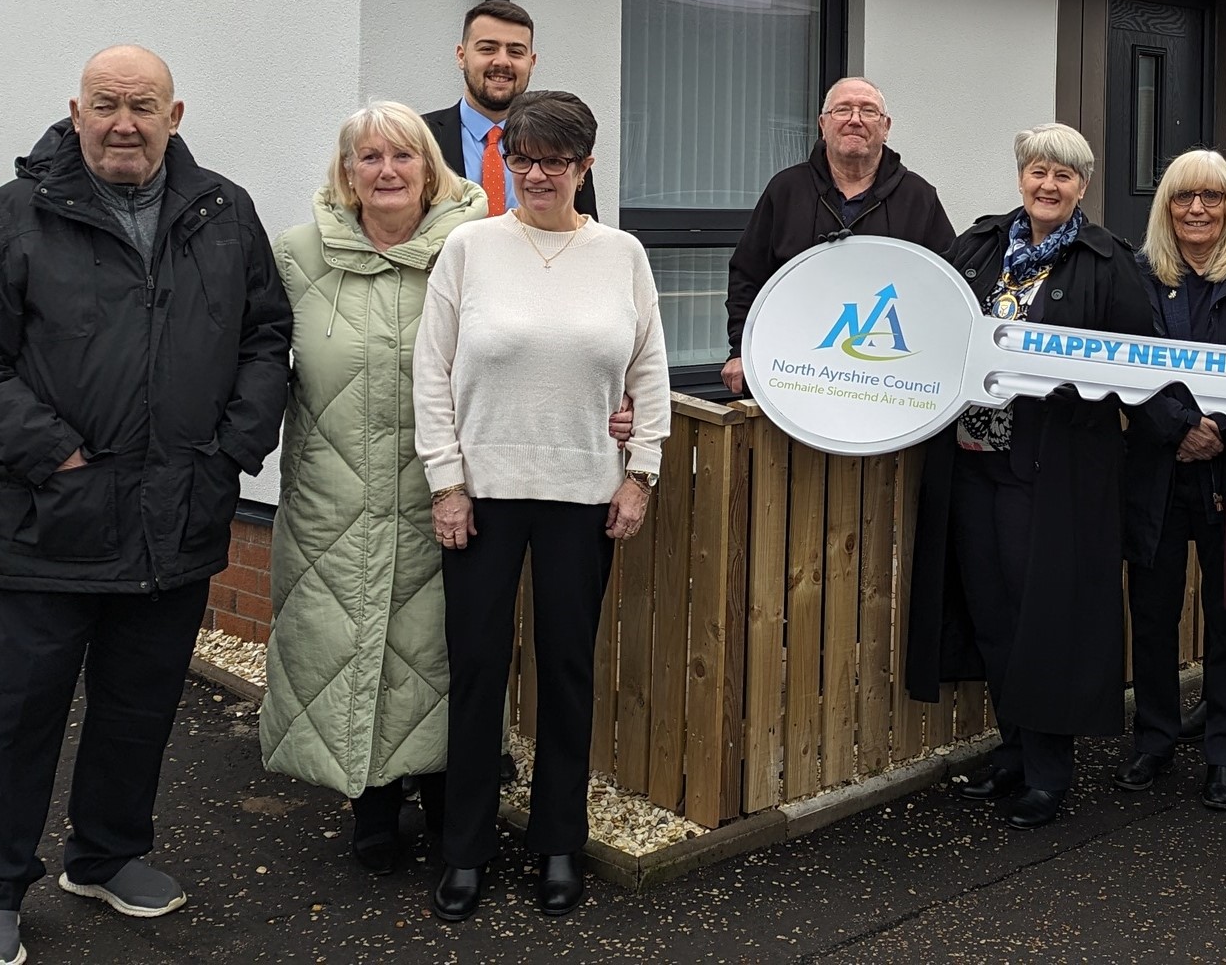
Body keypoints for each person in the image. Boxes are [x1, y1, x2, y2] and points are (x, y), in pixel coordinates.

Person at [0, 46, 290, 965]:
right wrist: (57, 455)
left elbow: (265, 337)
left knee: (140, 705)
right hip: (51, 518)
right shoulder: (10, 219)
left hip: (179, 515)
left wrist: (231, 453)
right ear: (75, 110)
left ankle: (109, 852)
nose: (123, 121)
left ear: (176, 114)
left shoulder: (223, 213)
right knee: (14, 714)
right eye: (106, 103)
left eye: (143, 105)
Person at [413, 91, 669, 922]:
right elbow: (432, 371)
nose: (538, 173)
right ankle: (465, 848)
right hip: (482, 496)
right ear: (508, 161)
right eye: (524, 157)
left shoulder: (622, 254)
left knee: (565, 670)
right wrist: (446, 483)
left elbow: (649, 372)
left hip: (581, 495)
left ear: (585, 167)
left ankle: (558, 841)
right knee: (478, 669)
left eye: (556, 160)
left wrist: (642, 472)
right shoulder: (470, 248)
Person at [904, 124, 1159, 829]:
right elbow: (931, 323)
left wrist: (1068, 381)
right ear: (1022, 176)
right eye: (1038, 172)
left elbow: (1137, 362)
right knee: (990, 611)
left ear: (1083, 186)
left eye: (1064, 176)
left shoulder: (1108, 262)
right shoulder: (981, 246)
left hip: (1050, 473)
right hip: (970, 462)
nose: (1048, 186)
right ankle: (1011, 753)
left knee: (1041, 618)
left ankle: (1049, 771)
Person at [258, 105, 485, 872]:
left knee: (439, 650)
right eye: (369, 157)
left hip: (446, 491)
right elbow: (255, 362)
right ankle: (373, 804)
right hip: (335, 495)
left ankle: (449, 794)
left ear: (431, 168)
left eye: (403, 156)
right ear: (346, 173)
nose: (386, 170)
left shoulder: (477, 250)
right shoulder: (297, 255)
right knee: (349, 645)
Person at [1118, 151, 1226, 811]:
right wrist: (1177, 425)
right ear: (1165, 205)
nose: (1197, 209)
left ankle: (1224, 750)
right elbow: (1123, 362)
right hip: (1157, 466)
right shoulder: (1137, 275)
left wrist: (1215, 424)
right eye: (1184, 197)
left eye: (1212, 197)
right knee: (1152, 615)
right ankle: (1155, 739)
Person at [721, 76, 954, 395]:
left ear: (886, 127)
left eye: (868, 111)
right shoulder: (786, 190)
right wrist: (741, 349)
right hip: (792, 368)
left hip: (888, 376)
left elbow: (946, 286)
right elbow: (748, 276)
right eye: (842, 110)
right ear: (823, 124)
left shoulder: (918, 197)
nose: (855, 120)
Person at [422, 0, 597, 221]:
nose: (502, 61)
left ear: (531, 63)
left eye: (515, 52)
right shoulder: (420, 138)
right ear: (461, 56)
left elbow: (582, 230)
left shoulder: (563, 142)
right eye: (487, 49)